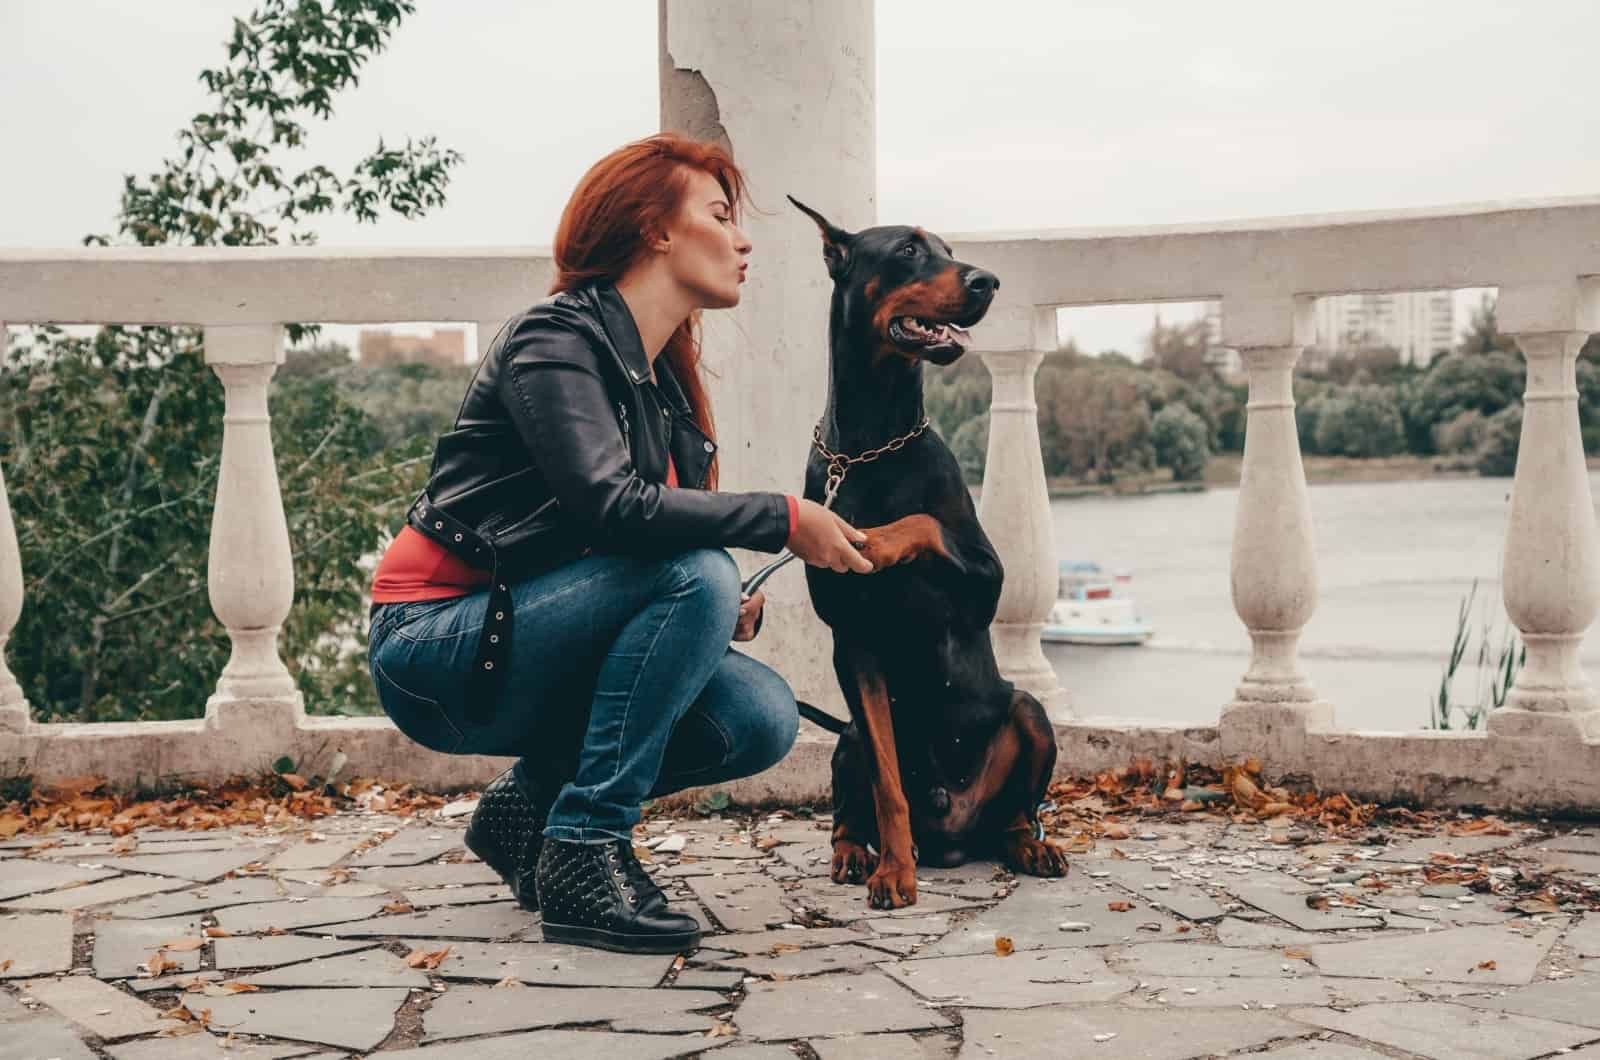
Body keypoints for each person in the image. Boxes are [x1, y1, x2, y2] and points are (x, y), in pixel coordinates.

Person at [365, 133, 875, 955]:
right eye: (719, 215)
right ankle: (584, 848)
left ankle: (527, 811)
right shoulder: (554, 342)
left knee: (759, 715)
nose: (744, 240)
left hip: (521, 634)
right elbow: (611, 507)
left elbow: (636, 547)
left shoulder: (661, 381)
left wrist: (712, 613)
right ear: (654, 230)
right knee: (695, 575)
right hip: (433, 647)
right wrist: (782, 518)